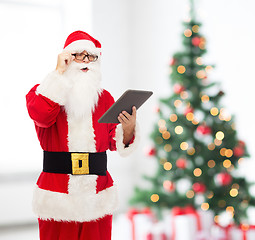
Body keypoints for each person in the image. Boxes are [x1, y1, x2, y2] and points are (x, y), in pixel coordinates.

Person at [26, 30, 139, 240]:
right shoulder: (44, 92)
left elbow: (115, 142)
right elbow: (41, 115)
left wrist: (129, 128)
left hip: (97, 195)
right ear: (67, 58)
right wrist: (58, 75)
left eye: (91, 56)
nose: (86, 61)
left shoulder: (105, 99)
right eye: (80, 55)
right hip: (57, 197)